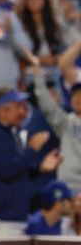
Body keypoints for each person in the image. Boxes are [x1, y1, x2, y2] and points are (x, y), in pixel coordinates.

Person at [0, 87, 62, 236]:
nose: (23, 113)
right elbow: (8, 171)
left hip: (14, 216)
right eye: (18, 107)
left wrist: (40, 169)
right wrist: (32, 149)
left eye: (24, 107)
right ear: (2, 110)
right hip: (0, 220)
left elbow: (18, 171)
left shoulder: (10, 133)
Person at [30, 58, 81, 193]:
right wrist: (38, 77)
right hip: (67, 187)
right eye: (75, 96)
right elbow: (47, 105)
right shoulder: (66, 123)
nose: (78, 99)